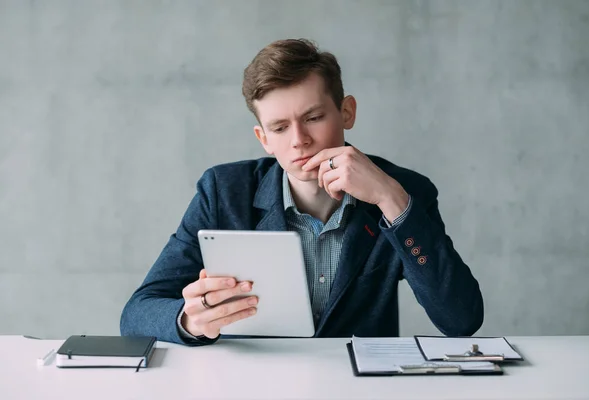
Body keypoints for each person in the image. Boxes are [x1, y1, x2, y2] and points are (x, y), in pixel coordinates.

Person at [120, 38, 484, 345]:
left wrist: (392, 201)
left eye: (313, 118)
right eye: (279, 128)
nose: (300, 141)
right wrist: (189, 320)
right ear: (263, 139)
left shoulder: (404, 190)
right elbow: (137, 313)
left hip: (360, 388)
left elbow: (461, 319)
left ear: (347, 112)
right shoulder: (222, 190)